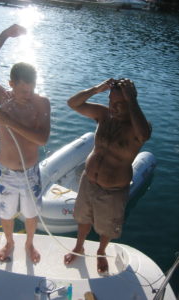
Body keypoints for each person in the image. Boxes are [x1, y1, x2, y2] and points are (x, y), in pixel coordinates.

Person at [0, 24, 50, 263]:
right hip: (6, 173)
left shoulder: (41, 104)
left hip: (31, 173)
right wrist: (4, 34)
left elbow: (42, 138)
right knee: (5, 213)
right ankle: (9, 242)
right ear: (12, 84)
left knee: (31, 214)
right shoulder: (1, 98)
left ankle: (29, 243)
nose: (29, 94)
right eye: (23, 90)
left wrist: (9, 121)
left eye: (32, 89)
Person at [64, 78, 151, 273]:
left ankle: (101, 251)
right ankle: (79, 246)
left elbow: (144, 135)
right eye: (112, 102)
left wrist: (132, 100)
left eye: (120, 104)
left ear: (131, 102)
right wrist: (96, 89)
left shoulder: (137, 127)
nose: (114, 107)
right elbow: (72, 103)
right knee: (83, 218)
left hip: (113, 190)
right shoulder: (104, 115)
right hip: (89, 182)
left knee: (107, 228)